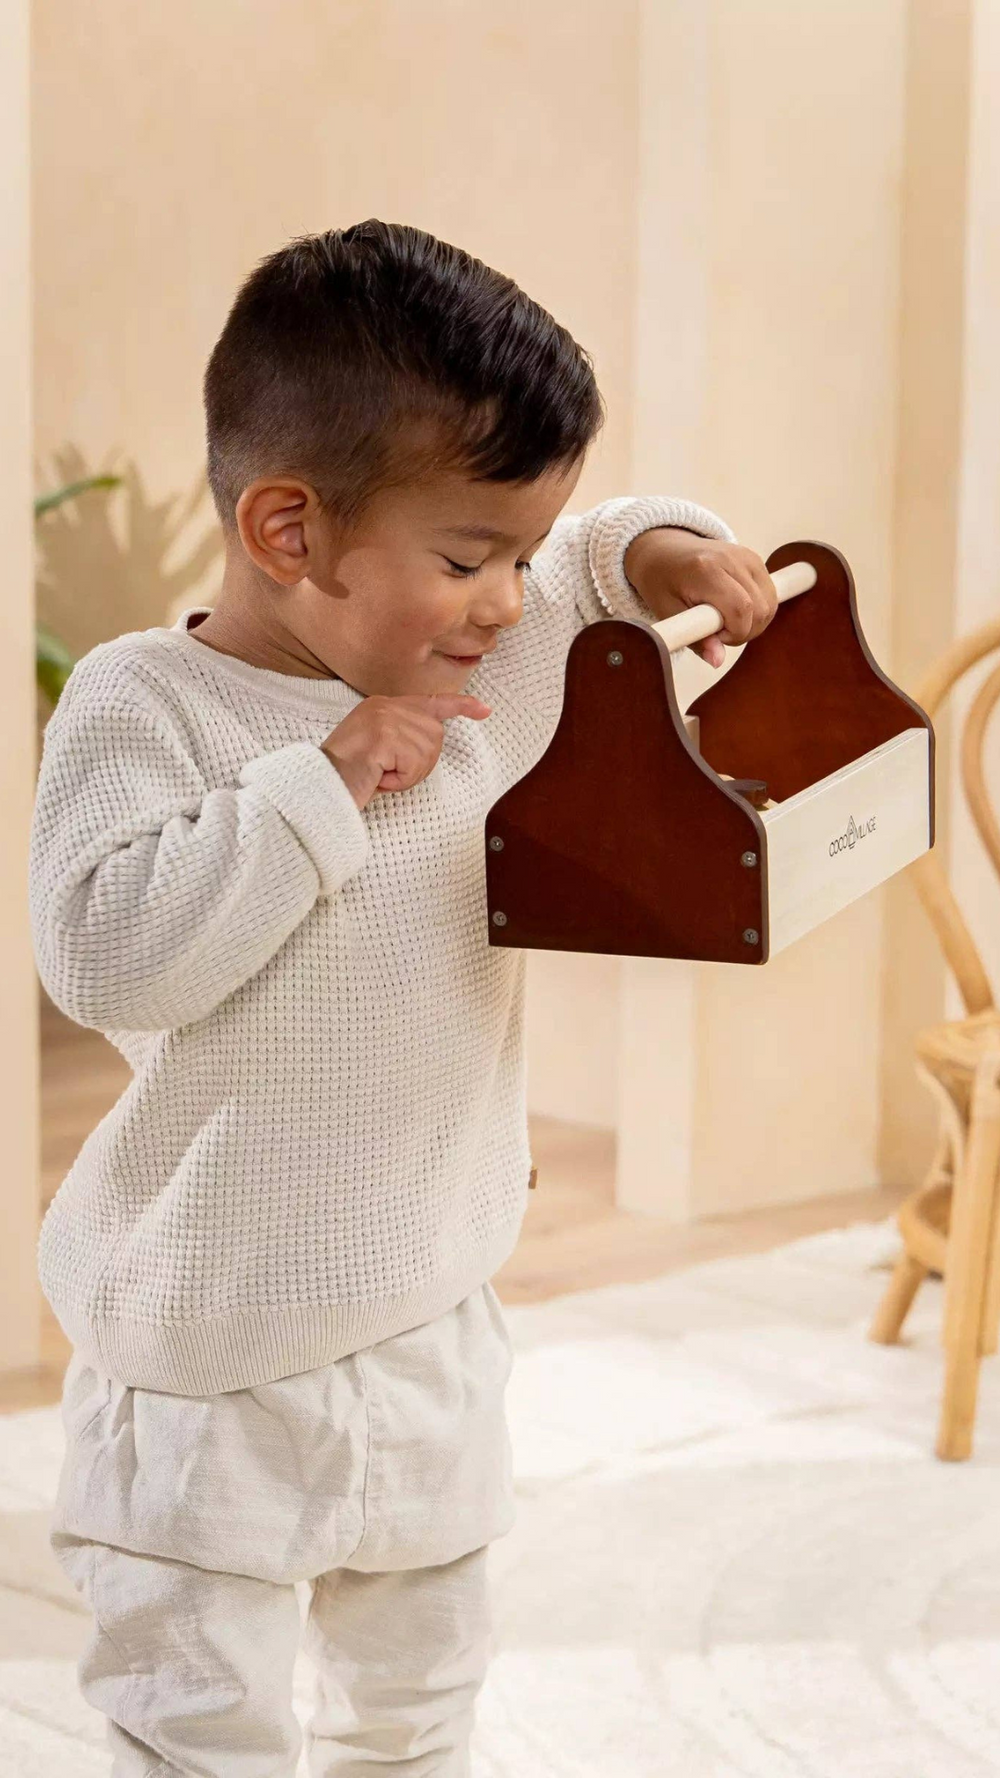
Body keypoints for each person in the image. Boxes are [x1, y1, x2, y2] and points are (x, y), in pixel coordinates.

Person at [29, 220, 777, 1776]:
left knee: (422, 1705)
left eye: (514, 554)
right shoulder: (143, 700)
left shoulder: (467, 658)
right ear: (289, 531)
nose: (506, 602)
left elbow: (587, 558)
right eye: (465, 557)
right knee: (197, 1726)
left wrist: (665, 554)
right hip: (209, 1348)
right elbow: (102, 951)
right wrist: (321, 782)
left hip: (430, 1308)